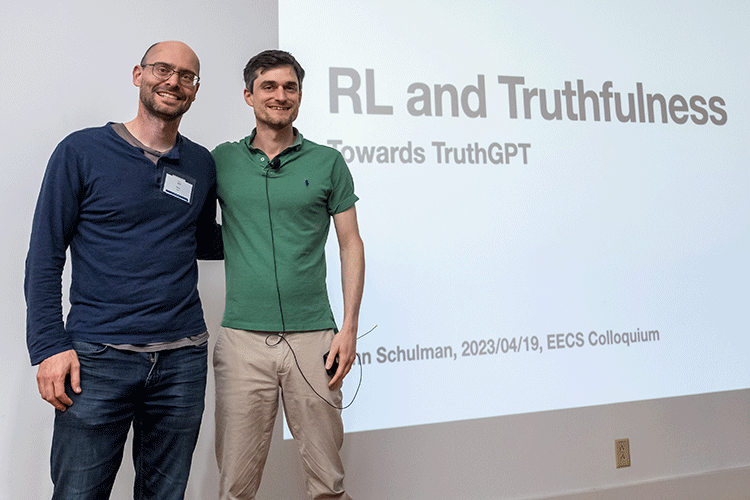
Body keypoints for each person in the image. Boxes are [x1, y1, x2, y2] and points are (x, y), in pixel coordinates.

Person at [24, 41, 222, 500]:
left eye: (187, 76)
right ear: (138, 74)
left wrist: (282, 223)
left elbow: (204, 239)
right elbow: (44, 255)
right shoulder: (81, 151)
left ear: (195, 91)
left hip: (183, 359)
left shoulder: (200, 163)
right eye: (162, 69)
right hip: (97, 358)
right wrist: (49, 346)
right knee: (78, 494)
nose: (173, 82)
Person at [212, 49, 365, 500]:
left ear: (300, 95)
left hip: (315, 338)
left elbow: (350, 242)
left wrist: (349, 328)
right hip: (241, 340)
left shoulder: (327, 162)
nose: (281, 96)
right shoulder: (221, 160)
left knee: (328, 483)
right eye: (269, 86)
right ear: (248, 95)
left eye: (290, 87)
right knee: (235, 486)